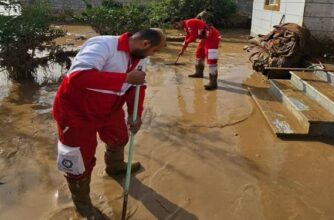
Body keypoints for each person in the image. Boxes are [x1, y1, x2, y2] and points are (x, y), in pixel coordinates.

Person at [52, 28, 166, 219]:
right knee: (78, 159)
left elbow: (137, 88)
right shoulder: (103, 45)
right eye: (155, 51)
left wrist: (134, 115)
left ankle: (115, 166)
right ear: (145, 44)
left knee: (119, 137)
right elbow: (77, 78)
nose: (153, 56)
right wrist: (125, 78)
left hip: (110, 110)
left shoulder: (140, 57)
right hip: (76, 114)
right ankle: (83, 205)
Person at [174, 18, 221, 90]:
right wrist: (182, 50)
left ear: (180, 21)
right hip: (205, 38)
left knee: (211, 60)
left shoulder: (189, 23)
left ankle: (213, 83)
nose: (177, 26)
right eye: (175, 25)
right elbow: (187, 38)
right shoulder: (185, 27)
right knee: (199, 54)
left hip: (213, 37)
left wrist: (186, 43)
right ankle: (199, 73)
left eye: (177, 24)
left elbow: (193, 38)